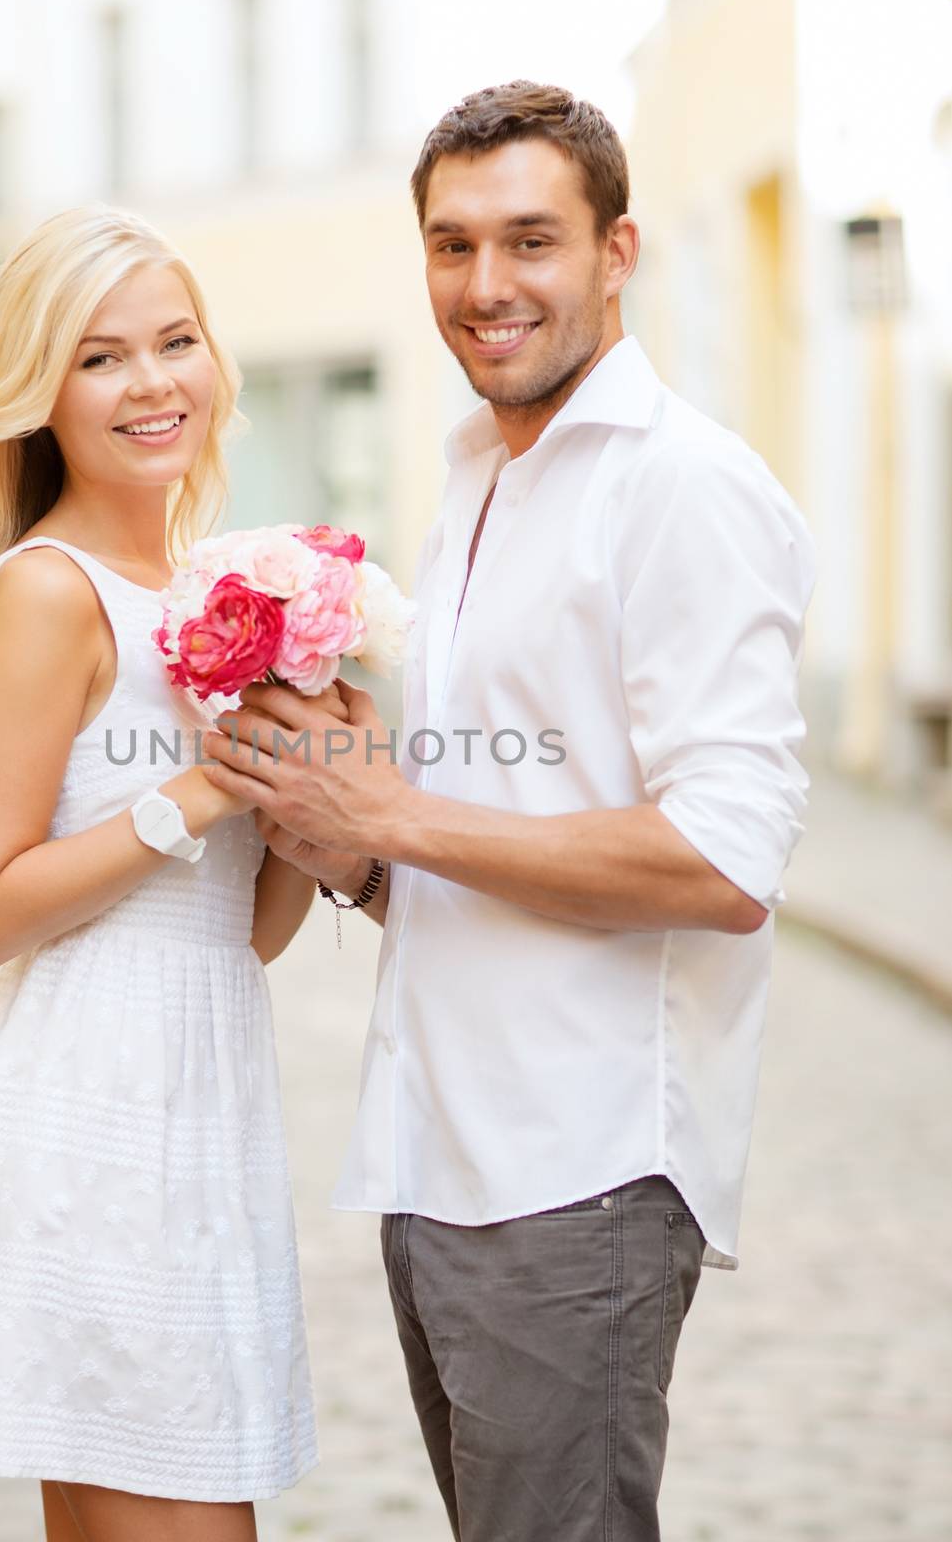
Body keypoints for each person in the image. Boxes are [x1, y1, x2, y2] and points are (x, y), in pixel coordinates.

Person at [201, 82, 818, 1541]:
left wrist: (400, 819)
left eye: (529, 240)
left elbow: (726, 859)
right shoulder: (477, 479)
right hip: (440, 1154)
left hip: (577, 1171)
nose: (485, 287)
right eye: (450, 245)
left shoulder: (682, 490)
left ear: (617, 253)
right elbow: (488, 829)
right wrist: (344, 843)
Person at [0, 205, 335, 1542]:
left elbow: (238, 935)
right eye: (101, 357)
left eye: (175, 343)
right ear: (42, 396)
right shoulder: (52, 589)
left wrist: (295, 779)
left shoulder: (201, 592)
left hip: (201, 1104)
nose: (152, 384)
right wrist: (196, 789)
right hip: (92, 1122)